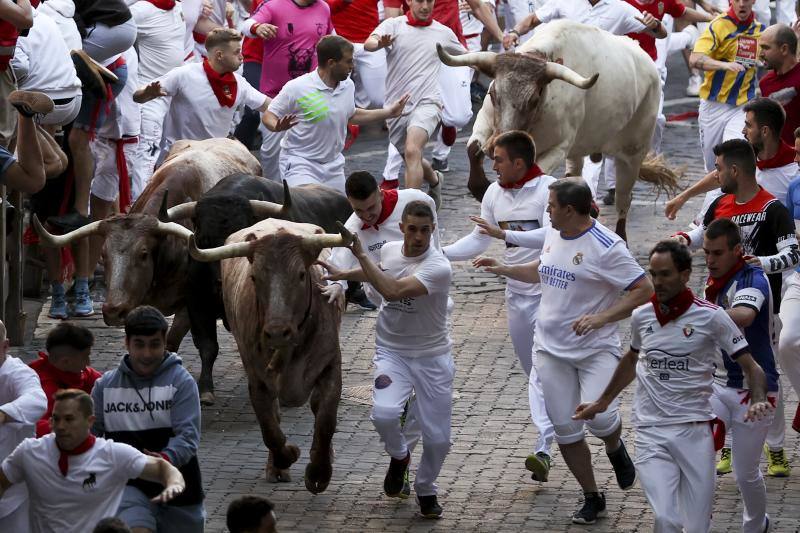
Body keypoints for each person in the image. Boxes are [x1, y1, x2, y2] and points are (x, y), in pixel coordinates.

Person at [473, 179, 654, 524]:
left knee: (600, 418)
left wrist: (602, 317)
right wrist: (505, 269)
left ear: (569, 210)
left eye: (551, 206)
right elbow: (543, 272)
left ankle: (615, 446)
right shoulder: (554, 233)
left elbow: (643, 290)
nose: (547, 211)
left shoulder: (607, 246)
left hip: (594, 351)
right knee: (566, 430)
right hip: (550, 350)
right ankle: (592, 495)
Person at [575, 239, 772, 533]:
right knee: (666, 519)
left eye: (665, 274)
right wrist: (602, 402)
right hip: (650, 431)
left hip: (694, 433)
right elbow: (631, 359)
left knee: (695, 528)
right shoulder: (642, 316)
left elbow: (752, 368)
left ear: (684, 274)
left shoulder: (712, 317)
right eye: (653, 274)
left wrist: (757, 398)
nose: (657, 282)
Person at [319, 201, 454, 519]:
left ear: (432, 231)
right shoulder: (391, 249)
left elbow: (392, 290)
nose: (418, 237)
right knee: (383, 414)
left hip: (433, 359)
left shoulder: (439, 266)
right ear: (403, 227)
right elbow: (380, 271)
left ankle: (426, 488)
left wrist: (360, 253)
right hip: (392, 353)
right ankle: (400, 456)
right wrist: (344, 274)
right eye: (412, 229)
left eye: (424, 230)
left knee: (439, 440)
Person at [441, 130, 556, 481]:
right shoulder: (493, 193)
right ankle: (557, 430)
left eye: (499, 159)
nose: (493, 165)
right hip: (516, 296)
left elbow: (551, 236)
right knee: (533, 373)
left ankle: (543, 445)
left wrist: (505, 235)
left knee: (540, 370)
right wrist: (439, 254)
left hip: (549, 293)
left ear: (519, 163)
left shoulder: (549, 190)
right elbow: (479, 239)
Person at [0, 389, 186, 533]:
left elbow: (161, 468)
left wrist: (174, 483)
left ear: (90, 421)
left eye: (69, 419)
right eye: (56, 419)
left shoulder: (113, 455)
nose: (61, 426)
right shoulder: (29, 452)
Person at [91, 306, 205, 532]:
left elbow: (188, 437)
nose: (147, 354)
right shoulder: (105, 386)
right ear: (127, 343)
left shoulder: (181, 382)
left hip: (180, 487)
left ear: (165, 343)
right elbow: (90, 436)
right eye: (139, 344)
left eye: (154, 344)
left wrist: (162, 460)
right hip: (127, 486)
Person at [702, 218, 779, 531]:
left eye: (717, 253)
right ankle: (696, 522)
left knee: (745, 472)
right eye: (706, 253)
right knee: (699, 455)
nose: (709, 260)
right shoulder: (713, 281)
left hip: (757, 389)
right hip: (719, 387)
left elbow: (745, 316)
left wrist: (693, 312)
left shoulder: (753, 278)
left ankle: (757, 524)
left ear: (736, 251)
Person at [262, 35, 408, 193]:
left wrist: (389, 112)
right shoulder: (297, 87)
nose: (352, 66)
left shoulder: (348, 85)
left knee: (338, 215)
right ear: (331, 63)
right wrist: (276, 127)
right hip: (300, 164)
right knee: (307, 210)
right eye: (348, 61)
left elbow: (351, 115)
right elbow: (269, 115)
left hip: (334, 166)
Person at [674, 139, 799, 309]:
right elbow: (702, 235)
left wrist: (760, 263)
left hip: (762, 307)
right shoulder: (718, 204)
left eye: (718, 168)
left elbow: (793, 255)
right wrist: (685, 239)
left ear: (734, 171)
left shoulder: (773, 209)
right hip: (717, 301)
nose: (715, 175)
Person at [364, 0, 466, 209]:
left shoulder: (443, 32)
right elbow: (369, 43)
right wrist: (379, 44)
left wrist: (498, 62)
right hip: (397, 107)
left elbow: (467, 56)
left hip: (428, 102)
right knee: (412, 155)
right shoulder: (394, 25)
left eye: (430, 0)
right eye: (420, 0)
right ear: (409, 1)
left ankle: (410, 209)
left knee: (412, 151)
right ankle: (435, 180)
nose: (426, 6)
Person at [238, 0, 334, 179]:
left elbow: (332, 38)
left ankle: (308, 187)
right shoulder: (274, 5)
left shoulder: (323, 7)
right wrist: (257, 28)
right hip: (276, 94)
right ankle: (274, 192)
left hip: (310, 92)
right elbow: (246, 25)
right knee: (273, 151)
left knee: (314, 142)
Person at [666, 97, 797, 222]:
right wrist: (684, 197)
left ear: (764, 131)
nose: (743, 130)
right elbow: (719, 175)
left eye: (749, 126)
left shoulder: (795, 168)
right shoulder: (746, 157)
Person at [690, 0, 764, 174]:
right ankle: (717, 199)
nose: (742, 4)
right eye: (737, 0)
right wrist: (724, 65)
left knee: (734, 154)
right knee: (714, 169)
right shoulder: (718, 25)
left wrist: (793, 39)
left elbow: (776, 56)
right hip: (713, 106)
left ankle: (735, 198)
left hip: (742, 106)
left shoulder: (760, 30)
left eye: (746, 0)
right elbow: (695, 59)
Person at [129, 0, 187, 184]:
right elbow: (113, 28)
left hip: (173, 93)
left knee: (166, 155)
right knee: (146, 154)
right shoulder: (142, 10)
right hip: (148, 94)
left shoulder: (177, 7)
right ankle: (139, 207)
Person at [0, 319, 47, 531]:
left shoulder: (17, 373)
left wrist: (3, 414)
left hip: (14, 494)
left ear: (5, 346)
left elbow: (37, 400)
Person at [29, 322, 101, 438]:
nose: (88, 362)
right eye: (85, 357)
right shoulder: (41, 385)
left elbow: (104, 384)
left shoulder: (82, 373)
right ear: (65, 362)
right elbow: (37, 427)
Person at [782, 129, 800, 436]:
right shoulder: (795, 187)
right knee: (786, 343)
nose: (795, 159)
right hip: (798, 278)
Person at [759, 24, 800, 146]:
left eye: (765, 48)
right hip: (778, 160)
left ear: (784, 49)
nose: (760, 54)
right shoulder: (765, 83)